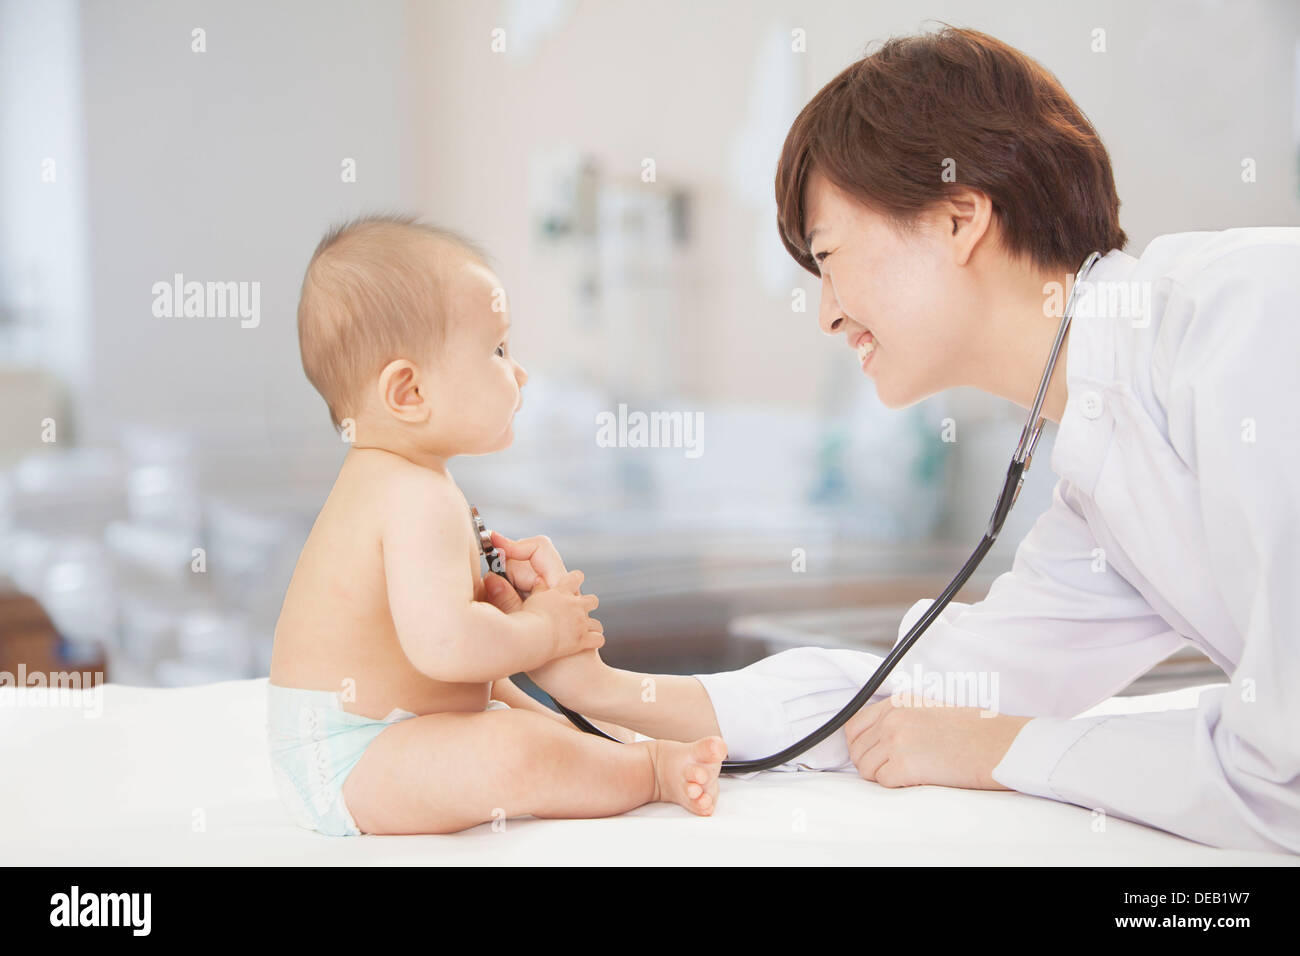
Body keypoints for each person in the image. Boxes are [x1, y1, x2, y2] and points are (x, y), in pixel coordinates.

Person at [507, 27, 1300, 853]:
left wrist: (1001, 751)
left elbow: (1283, 770)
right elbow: (920, 694)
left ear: (960, 218)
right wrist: (596, 685)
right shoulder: (1107, 480)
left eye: (830, 255)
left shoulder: (1248, 320)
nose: (827, 313)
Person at [266, 215, 725, 836]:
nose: (520, 372)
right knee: (512, 751)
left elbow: (454, 661)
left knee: (526, 721)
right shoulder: (410, 495)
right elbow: (448, 646)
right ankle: (649, 771)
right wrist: (541, 630)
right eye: (499, 350)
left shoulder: (416, 481)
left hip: (397, 729)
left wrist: (511, 630)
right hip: (351, 757)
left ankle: (615, 751)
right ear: (409, 392)